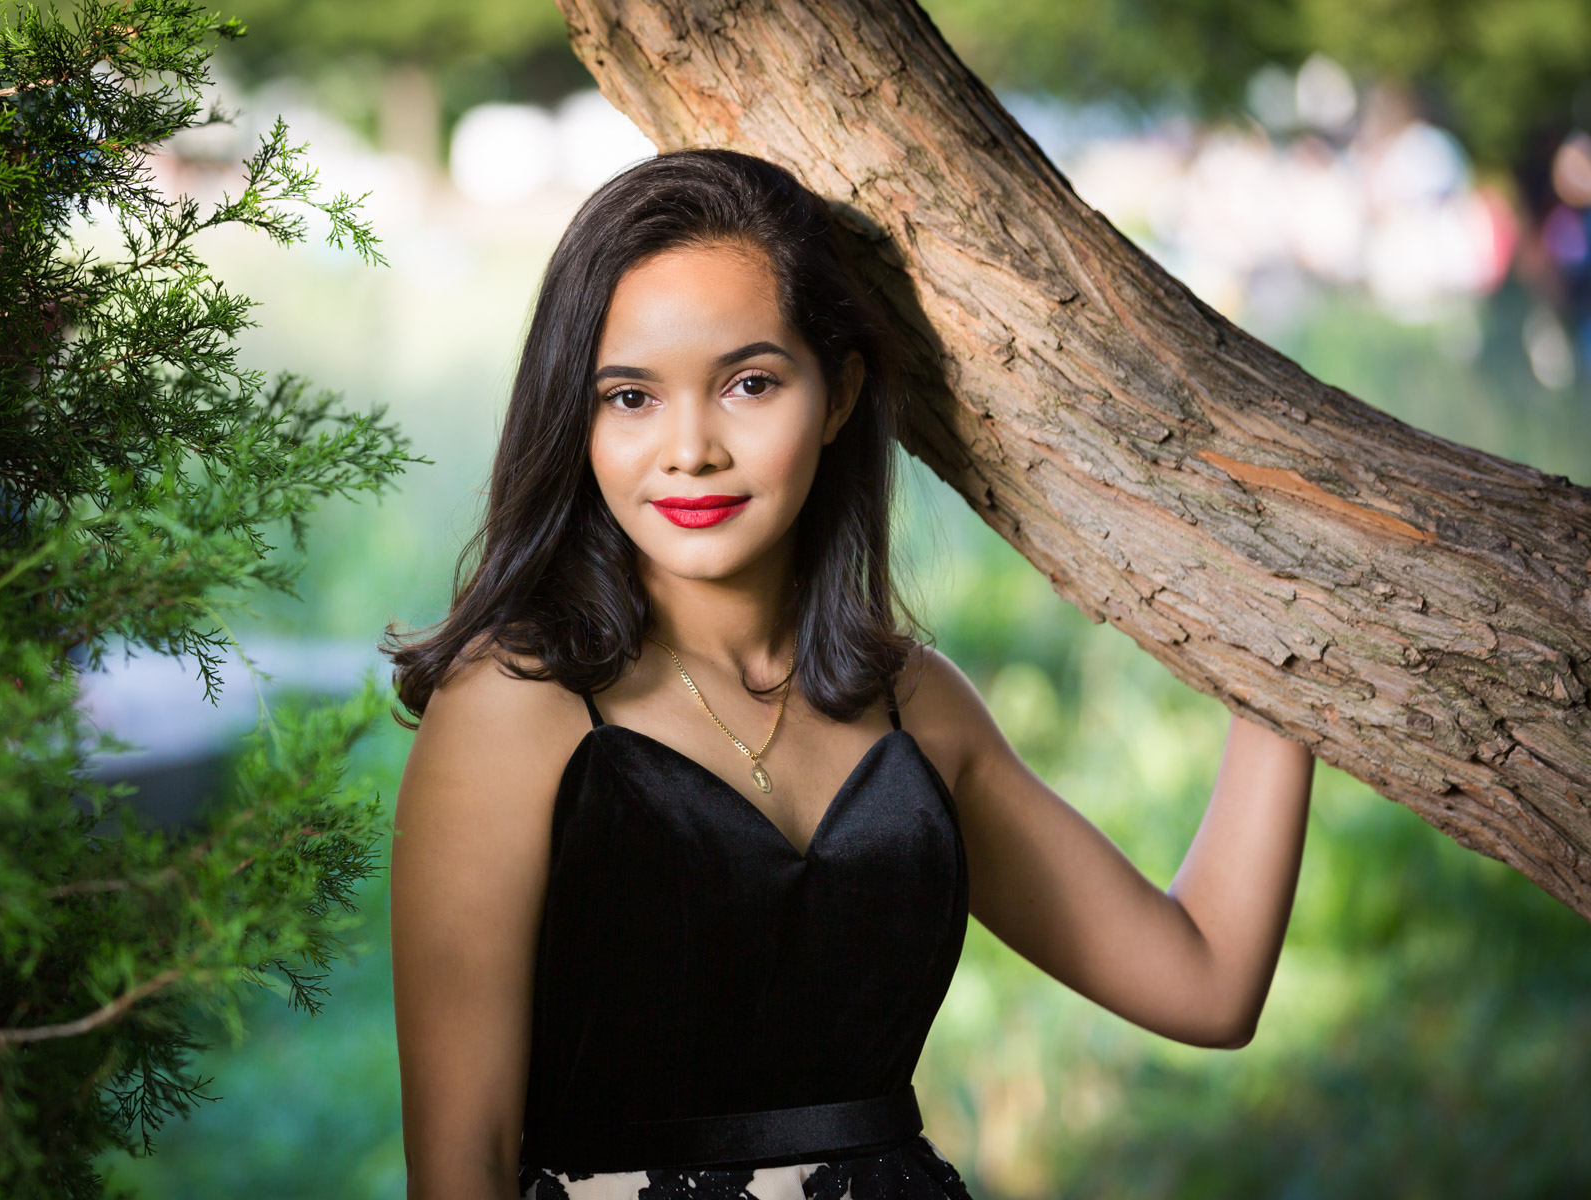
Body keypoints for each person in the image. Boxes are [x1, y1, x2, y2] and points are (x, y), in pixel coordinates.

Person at [385, 148, 1315, 1200]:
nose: (689, 449)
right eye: (631, 397)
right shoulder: (515, 706)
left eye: (749, 384)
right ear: (575, 415)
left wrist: (1288, 649)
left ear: (838, 393)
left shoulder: (917, 707)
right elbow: (458, 1163)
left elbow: (1205, 980)